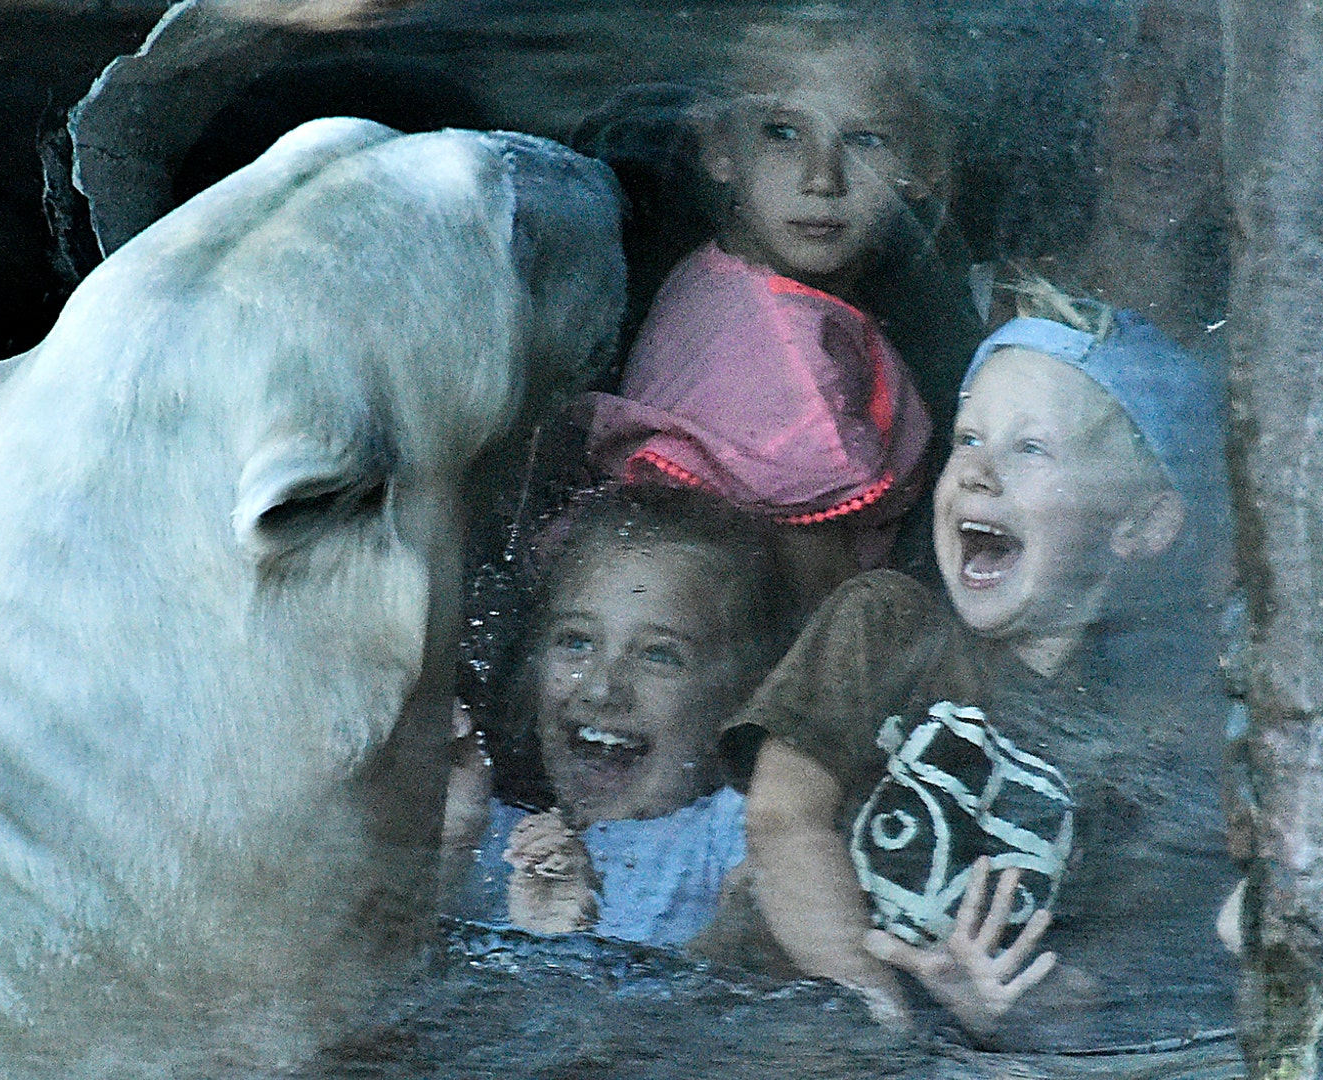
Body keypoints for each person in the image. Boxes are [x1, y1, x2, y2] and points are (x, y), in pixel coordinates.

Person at [714, 283, 1240, 1050]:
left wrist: (1006, 1009)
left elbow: (1094, 993)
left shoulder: (1151, 748)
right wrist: (877, 1009)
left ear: (1143, 523)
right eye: (968, 439)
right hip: (756, 1008)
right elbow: (784, 818)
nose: (980, 474)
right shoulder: (887, 625)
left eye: (1030, 449)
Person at [578, 9, 950, 608]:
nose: (822, 177)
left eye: (863, 140)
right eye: (782, 132)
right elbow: (824, 613)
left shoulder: (723, 273)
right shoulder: (789, 356)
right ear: (721, 150)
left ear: (920, 168)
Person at [442, 487, 791, 949]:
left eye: (660, 655)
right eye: (577, 641)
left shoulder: (734, 841)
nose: (602, 688)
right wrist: (452, 841)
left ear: (738, 699)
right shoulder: (493, 841)